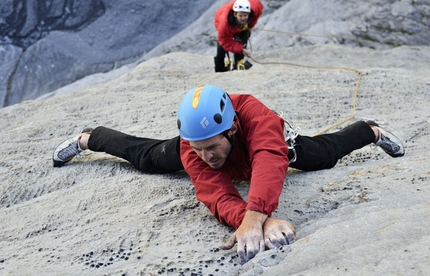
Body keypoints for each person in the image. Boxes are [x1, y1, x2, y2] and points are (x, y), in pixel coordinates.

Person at [52, 85, 405, 264]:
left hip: (275, 145)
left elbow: (268, 159)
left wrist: (255, 215)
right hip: (214, 146)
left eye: (211, 147)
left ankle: (369, 130)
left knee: (324, 155)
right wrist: (257, 223)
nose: (205, 157)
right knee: (147, 157)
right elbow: (216, 194)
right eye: (196, 147)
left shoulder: (255, 117)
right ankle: (89, 137)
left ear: (232, 129)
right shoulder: (195, 148)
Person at [214, 0, 263, 72]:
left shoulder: (255, 8)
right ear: (235, 14)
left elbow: (256, 13)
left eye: (245, 15)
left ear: (249, 14)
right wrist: (241, 49)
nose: (243, 18)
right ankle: (219, 69)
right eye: (240, 16)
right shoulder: (224, 24)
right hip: (222, 21)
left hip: (238, 25)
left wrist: (250, 26)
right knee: (221, 48)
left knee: (243, 40)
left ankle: (238, 65)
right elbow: (224, 41)